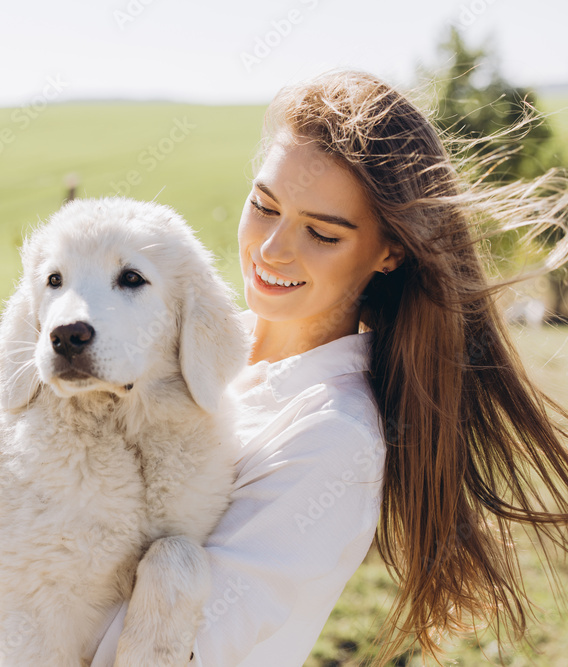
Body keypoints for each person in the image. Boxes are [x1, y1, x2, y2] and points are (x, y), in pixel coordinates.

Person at [91, 70, 568, 666]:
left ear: (389, 252)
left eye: (320, 233)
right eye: (264, 206)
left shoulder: (334, 440)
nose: (271, 250)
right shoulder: (179, 348)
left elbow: (174, 654)